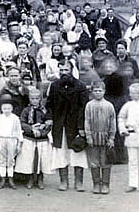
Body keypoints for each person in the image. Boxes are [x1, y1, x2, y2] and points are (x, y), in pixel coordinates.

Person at [46, 60, 88, 192]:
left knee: (77, 153)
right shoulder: (54, 86)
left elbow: (83, 108)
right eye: (61, 71)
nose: (64, 73)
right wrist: (49, 119)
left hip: (75, 126)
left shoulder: (80, 86)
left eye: (67, 70)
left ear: (72, 70)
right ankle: (63, 181)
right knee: (60, 154)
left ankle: (79, 182)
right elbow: (49, 105)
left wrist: (81, 127)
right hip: (59, 125)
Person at [17, 86, 52, 189]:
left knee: (42, 159)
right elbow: (22, 122)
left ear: (40, 99)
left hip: (42, 139)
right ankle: (30, 178)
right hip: (29, 138)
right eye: (32, 98)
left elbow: (49, 124)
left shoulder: (45, 110)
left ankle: (40, 178)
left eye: (37, 98)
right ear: (29, 99)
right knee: (29, 159)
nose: (34, 100)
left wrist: (42, 131)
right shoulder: (26, 110)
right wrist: (31, 129)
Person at [84, 81, 116, 194]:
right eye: (95, 91)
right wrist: (88, 136)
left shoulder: (109, 105)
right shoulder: (89, 105)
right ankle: (96, 184)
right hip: (93, 136)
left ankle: (105, 184)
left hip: (106, 137)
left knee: (105, 161)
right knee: (94, 161)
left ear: (104, 91)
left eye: (100, 91)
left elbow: (113, 122)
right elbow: (86, 121)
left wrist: (111, 137)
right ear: (92, 92)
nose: (98, 93)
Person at [0, 94, 23, 189]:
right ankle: (2, 179)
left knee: (10, 160)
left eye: (9, 108)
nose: (6, 110)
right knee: (2, 160)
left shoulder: (15, 118)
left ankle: (10, 179)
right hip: (1, 139)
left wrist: (19, 144)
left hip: (12, 140)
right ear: (1, 109)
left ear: (12, 108)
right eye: (4, 108)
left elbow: (18, 131)